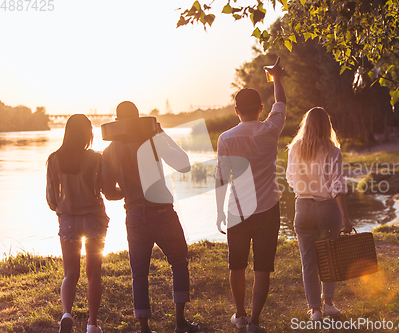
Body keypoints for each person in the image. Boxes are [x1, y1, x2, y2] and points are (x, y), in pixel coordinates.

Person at [100, 101, 200, 333]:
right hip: (162, 211)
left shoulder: (108, 152)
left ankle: (145, 329)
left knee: (139, 273)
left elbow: (109, 192)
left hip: (134, 213)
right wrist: (162, 133)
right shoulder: (153, 141)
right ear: (139, 120)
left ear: (117, 122)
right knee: (179, 262)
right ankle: (180, 322)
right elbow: (184, 165)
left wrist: (131, 192)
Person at [215, 57, 285, 333]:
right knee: (262, 267)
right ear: (260, 109)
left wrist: (220, 211)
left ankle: (240, 316)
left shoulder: (226, 138)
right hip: (268, 209)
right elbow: (280, 103)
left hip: (237, 209)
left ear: (235, 111)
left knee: (237, 264)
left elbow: (221, 177)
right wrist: (276, 77)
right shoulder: (271, 128)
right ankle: (254, 322)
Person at [285, 107, 353, 321]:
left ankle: (314, 310)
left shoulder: (295, 148)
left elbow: (289, 178)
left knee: (308, 260)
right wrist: (345, 216)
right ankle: (329, 303)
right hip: (327, 208)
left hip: (303, 207)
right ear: (327, 125)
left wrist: (304, 188)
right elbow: (337, 185)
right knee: (329, 256)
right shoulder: (333, 150)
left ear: (306, 124)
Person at [46, 114, 108, 333]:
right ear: (88, 133)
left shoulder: (54, 159)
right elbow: (103, 188)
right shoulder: (96, 158)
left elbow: (51, 199)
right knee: (94, 273)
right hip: (93, 219)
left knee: (70, 273)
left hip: (68, 220)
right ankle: (92, 324)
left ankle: (66, 314)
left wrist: (62, 208)